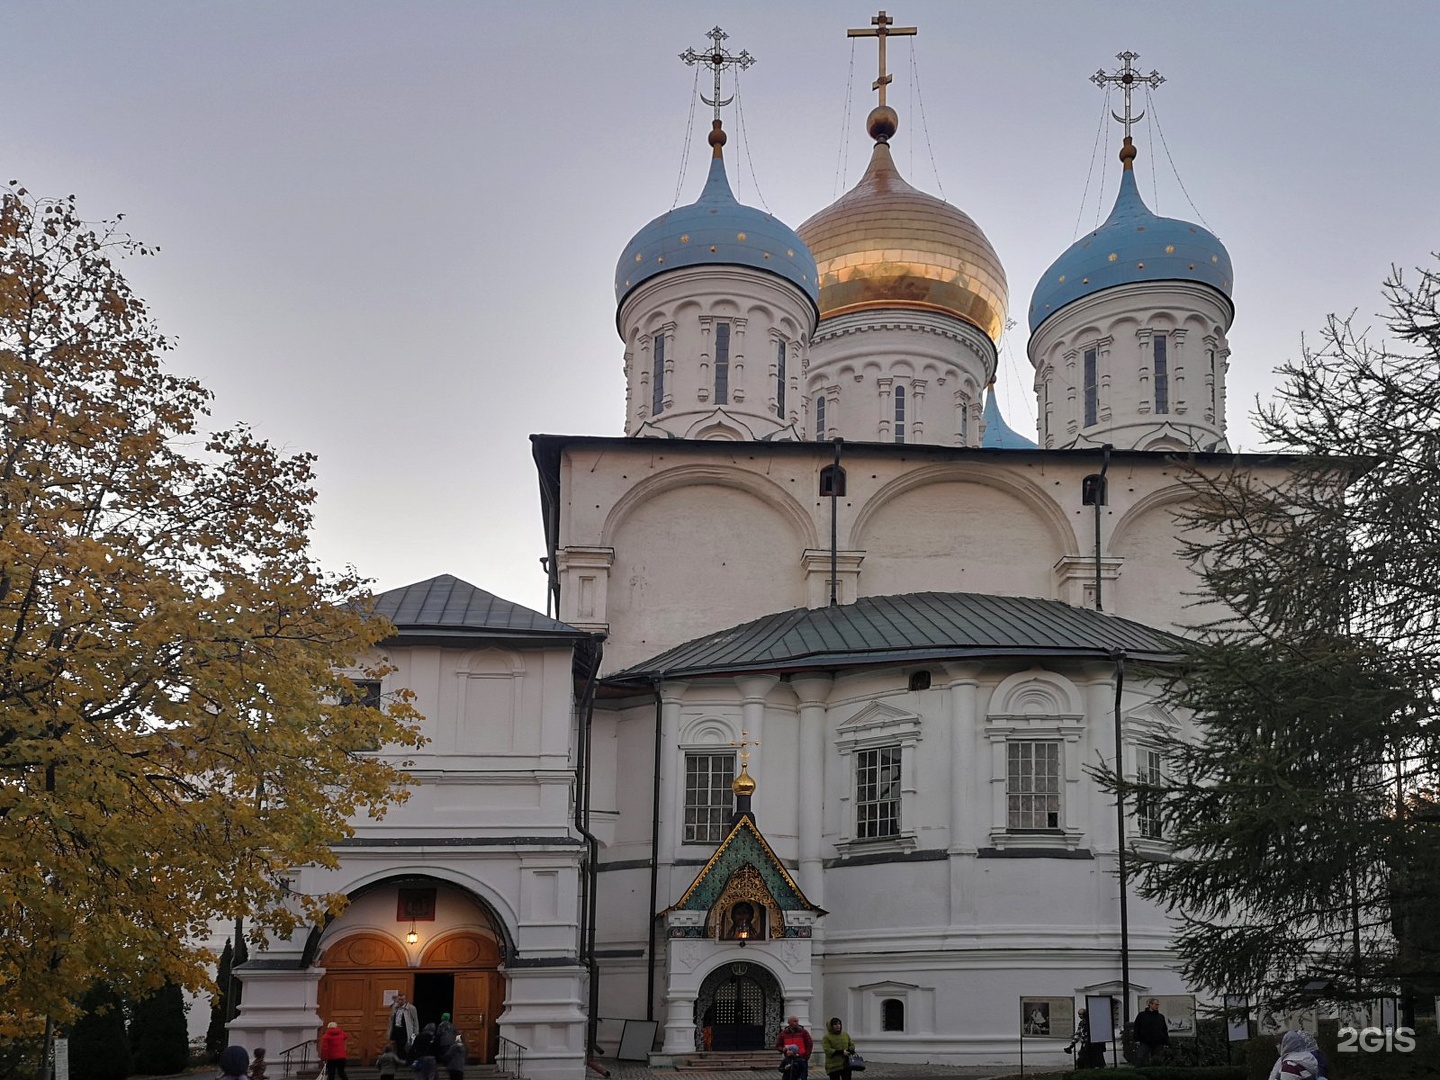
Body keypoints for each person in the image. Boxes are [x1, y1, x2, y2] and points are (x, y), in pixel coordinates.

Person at [1133, 998, 1169, 1066]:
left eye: (1158, 1005)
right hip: (1145, 1041)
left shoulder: (1160, 1017)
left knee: (1157, 1060)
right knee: (1141, 1058)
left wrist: (1165, 1041)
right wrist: (1137, 1039)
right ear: (1150, 1004)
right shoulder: (1142, 1015)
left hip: (1158, 1042)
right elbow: (1136, 1027)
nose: (1157, 1006)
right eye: (1155, 1004)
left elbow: (1164, 1029)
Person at [777, 1016, 813, 1080]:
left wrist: (806, 1057)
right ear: (789, 1022)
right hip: (789, 1059)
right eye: (794, 1021)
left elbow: (809, 1044)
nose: (797, 1023)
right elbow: (778, 1045)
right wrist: (783, 1049)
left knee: (802, 1077)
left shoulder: (803, 1032)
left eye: (797, 1021)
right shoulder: (783, 1033)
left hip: (801, 1059)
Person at [389, 993, 420, 1058]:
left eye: (402, 999)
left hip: (405, 1030)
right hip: (396, 1029)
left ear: (405, 1000)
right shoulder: (395, 1007)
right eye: (399, 999)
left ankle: (405, 1060)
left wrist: (416, 1032)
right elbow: (392, 1018)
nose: (400, 1001)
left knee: (405, 1046)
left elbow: (415, 1021)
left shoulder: (411, 1008)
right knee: (397, 1046)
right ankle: (399, 1060)